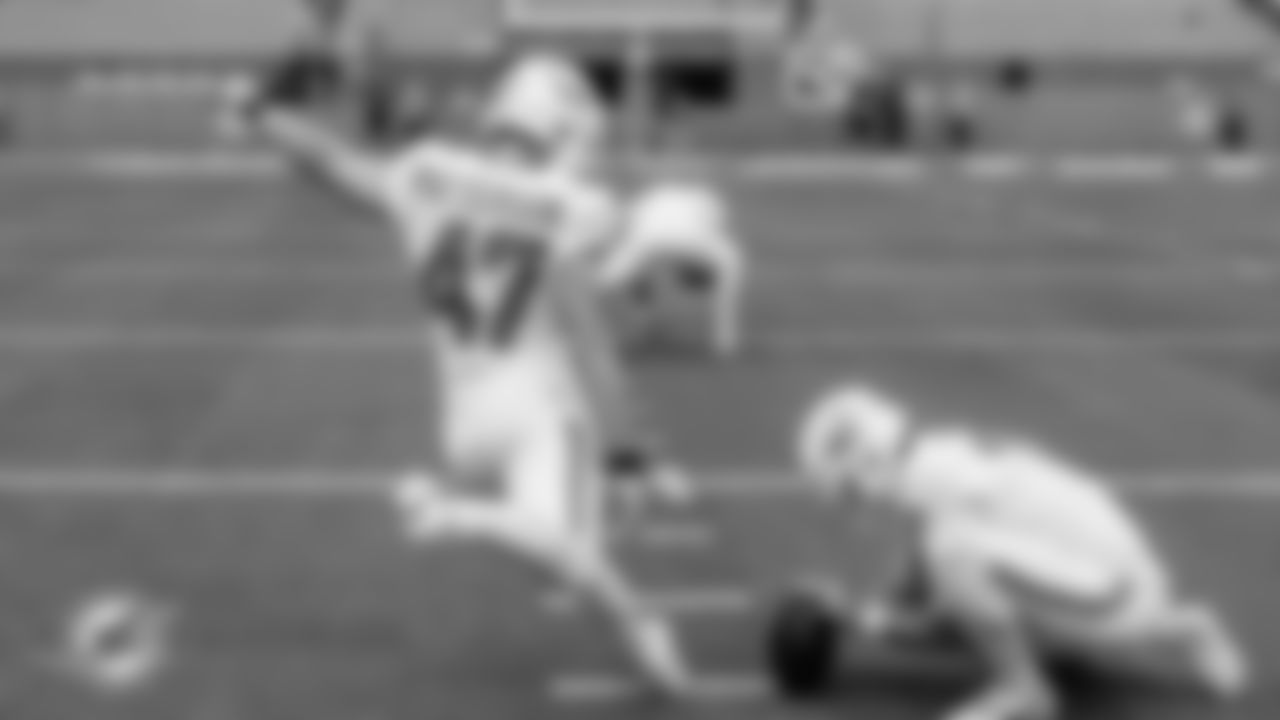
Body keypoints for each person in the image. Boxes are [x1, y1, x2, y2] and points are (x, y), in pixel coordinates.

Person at [238, 54, 693, 697]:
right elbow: (589, 338)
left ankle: (491, 525)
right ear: (559, 133)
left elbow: (330, 161)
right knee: (570, 547)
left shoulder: (428, 175)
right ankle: (468, 522)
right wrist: (626, 452)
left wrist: (262, 117)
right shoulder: (567, 207)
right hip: (537, 409)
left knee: (557, 558)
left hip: (462, 419)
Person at [783, 384, 1251, 719]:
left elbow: (927, 601)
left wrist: (862, 617)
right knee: (956, 586)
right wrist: (859, 617)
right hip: (1113, 581)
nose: (854, 503)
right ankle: (1189, 626)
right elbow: (917, 598)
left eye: (848, 491)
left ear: (867, 464)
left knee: (952, 556)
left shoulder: (936, 482)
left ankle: (1026, 691)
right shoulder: (931, 462)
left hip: (1113, 592)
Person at [598, 178, 747, 358]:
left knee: (607, 281)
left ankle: (615, 330)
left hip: (646, 240)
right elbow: (711, 233)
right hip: (691, 239)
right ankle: (725, 342)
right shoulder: (706, 197)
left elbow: (628, 230)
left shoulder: (649, 197)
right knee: (731, 265)